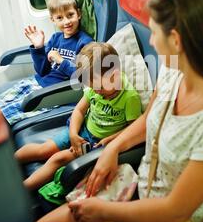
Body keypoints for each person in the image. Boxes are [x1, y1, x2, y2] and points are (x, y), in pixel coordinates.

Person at [35, 0, 203, 222]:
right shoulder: (174, 72)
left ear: (176, 41)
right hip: (140, 184)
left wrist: (105, 212)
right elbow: (150, 117)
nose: (150, 41)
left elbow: (177, 211)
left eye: (154, 33)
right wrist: (114, 148)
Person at [15, 42, 142, 191]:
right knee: (44, 149)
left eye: (99, 87)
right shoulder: (94, 88)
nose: (96, 91)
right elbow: (79, 111)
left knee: (58, 159)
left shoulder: (129, 97)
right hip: (81, 130)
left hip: (96, 144)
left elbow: (133, 128)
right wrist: (73, 134)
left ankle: (22, 190)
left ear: (113, 76)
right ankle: (9, 162)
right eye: (92, 87)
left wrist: (112, 139)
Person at [0, 0, 94, 125]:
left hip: (54, 92)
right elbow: (42, 71)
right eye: (60, 18)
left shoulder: (84, 42)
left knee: (3, 114)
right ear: (52, 19)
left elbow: (84, 77)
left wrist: (61, 61)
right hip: (38, 81)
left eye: (70, 15)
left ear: (79, 13)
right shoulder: (56, 38)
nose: (66, 21)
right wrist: (38, 48)